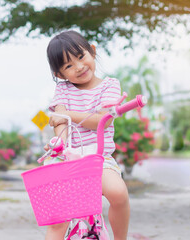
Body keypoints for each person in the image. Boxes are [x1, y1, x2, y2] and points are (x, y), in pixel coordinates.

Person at [45, 30, 130, 240]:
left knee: (118, 194)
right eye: (68, 66)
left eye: (81, 57)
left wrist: (67, 114)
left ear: (92, 52)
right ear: (59, 74)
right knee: (58, 219)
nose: (79, 67)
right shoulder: (63, 91)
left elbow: (104, 119)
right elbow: (59, 121)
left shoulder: (110, 85)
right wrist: (59, 144)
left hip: (99, 158)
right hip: (69, 158)